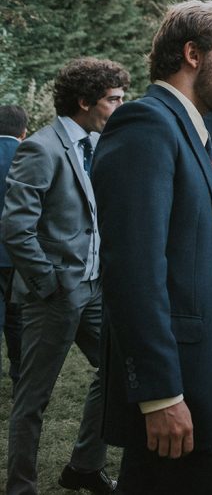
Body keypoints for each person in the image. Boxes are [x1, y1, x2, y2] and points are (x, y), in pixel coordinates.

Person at [93, 0, 212, 494]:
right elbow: (133, 270)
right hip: (180, 379)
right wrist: (159, 395)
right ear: (192, 55)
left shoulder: (198, 134)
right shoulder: (146, 123)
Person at [2, 58, 129, 495]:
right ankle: (21, 487)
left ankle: (84, 466)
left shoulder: (98, 144)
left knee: (115, 373)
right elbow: (16, 227)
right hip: (53, 294)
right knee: (33, 400)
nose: (120, 106)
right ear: (84, 101)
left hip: (95, 291)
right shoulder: (41, 147)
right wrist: (49, 283)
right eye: (113, 99)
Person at [0, 105, 27, 387]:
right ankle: (19, 376)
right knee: (17, 318)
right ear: (23, 131)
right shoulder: (28, 154)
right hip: (17, 253)